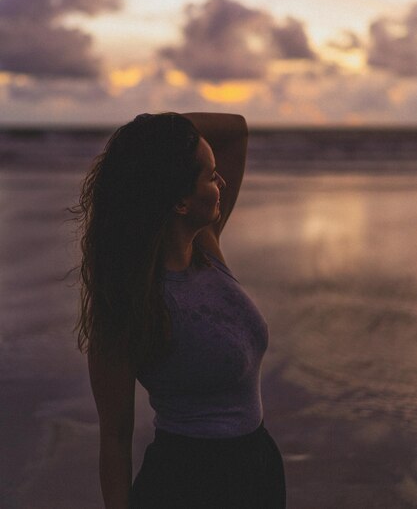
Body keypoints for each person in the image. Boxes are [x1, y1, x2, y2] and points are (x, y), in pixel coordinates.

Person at [72, 111, 286, 508]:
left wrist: (141, 144)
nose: (220, 183)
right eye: (209, 175)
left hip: (257, 466)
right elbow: (115, 438)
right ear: (180, 202)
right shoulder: (128, 300)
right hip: (189, 481)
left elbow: (234, 128)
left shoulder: (206, 248)